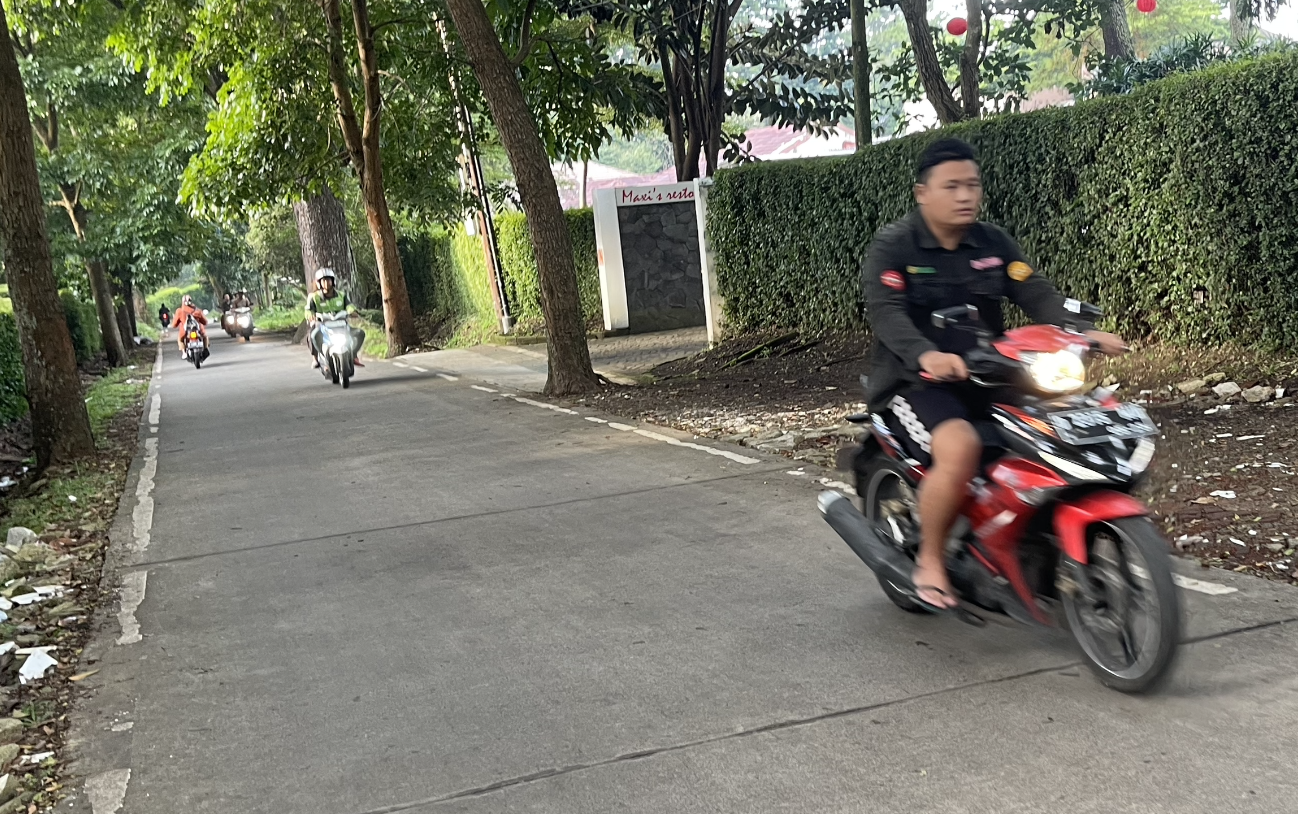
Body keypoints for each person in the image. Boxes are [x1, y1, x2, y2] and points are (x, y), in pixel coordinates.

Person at [862, 138, 1127, 610]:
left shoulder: (992, 242)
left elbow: (1035, 291)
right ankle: (930, 560)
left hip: (991, 374)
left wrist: (1083, 332)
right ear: (922, 193)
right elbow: (887, 313)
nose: (965, 195)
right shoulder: (895, 246)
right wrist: (926, 354)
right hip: (913, 383)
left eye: (973, 185)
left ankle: (1030, 542)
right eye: (952, 186)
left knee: (1059, 431)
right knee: (960, 446)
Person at [305, 268, 364, 368]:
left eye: (328, 280)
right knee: (313, 336)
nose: (326, 283)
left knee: (360, 333)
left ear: (333, 281)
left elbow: (349, 306)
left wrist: (352, 311)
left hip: (341, 324)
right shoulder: (314, 297)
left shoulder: (341, 295)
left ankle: (353, 355)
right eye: (323, 281)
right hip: (322, 325)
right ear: (319, 283)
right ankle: (318, 358)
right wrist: (311, 315)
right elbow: (308, 310)